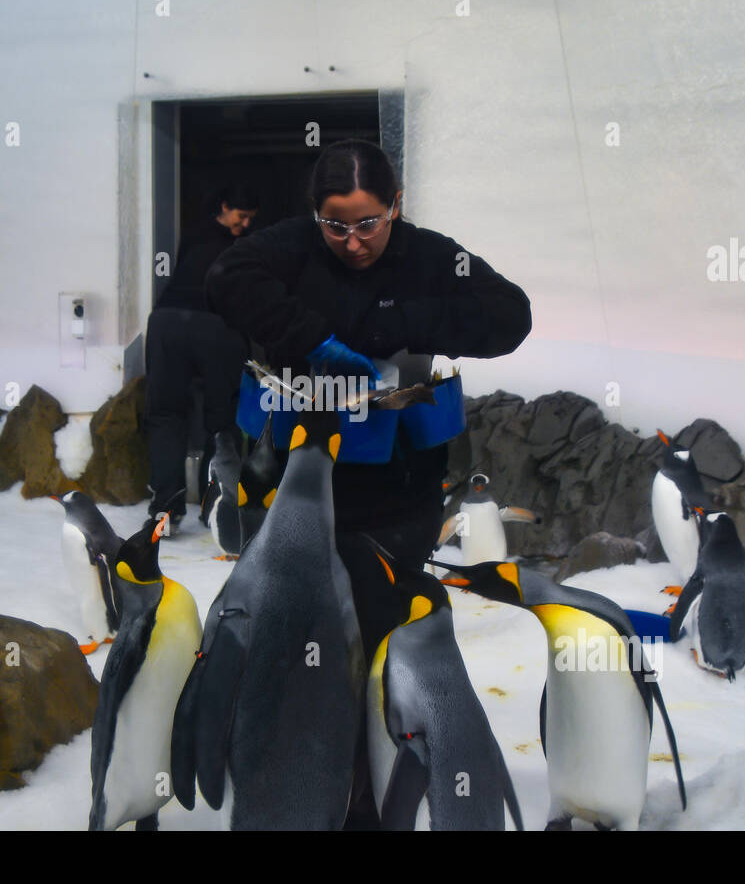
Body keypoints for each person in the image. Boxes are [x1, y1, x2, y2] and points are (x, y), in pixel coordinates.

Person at [206, 141, 531, 828]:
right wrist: (312, 338)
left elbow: (511, 315)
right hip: (298, 500)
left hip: (395, 500)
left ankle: (366, 795)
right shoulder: (290, 248)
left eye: (369, 223)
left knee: (382, 653)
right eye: (335, 224)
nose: (353, 242)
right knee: (296, 649)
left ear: (396, 206)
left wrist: (403, 323)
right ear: (314, 217)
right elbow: (228, 275)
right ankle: (287, 784)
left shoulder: (431, 257)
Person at [144, 184, 259, 530]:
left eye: (251, 219)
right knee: (221, 419)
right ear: (225, 207)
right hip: (215, 326)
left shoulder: (192, 236)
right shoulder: (244, 248)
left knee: (165, 414)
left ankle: (165, 508)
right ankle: (215, 506)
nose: (245, 225)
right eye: (242, 217)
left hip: (167, 322)